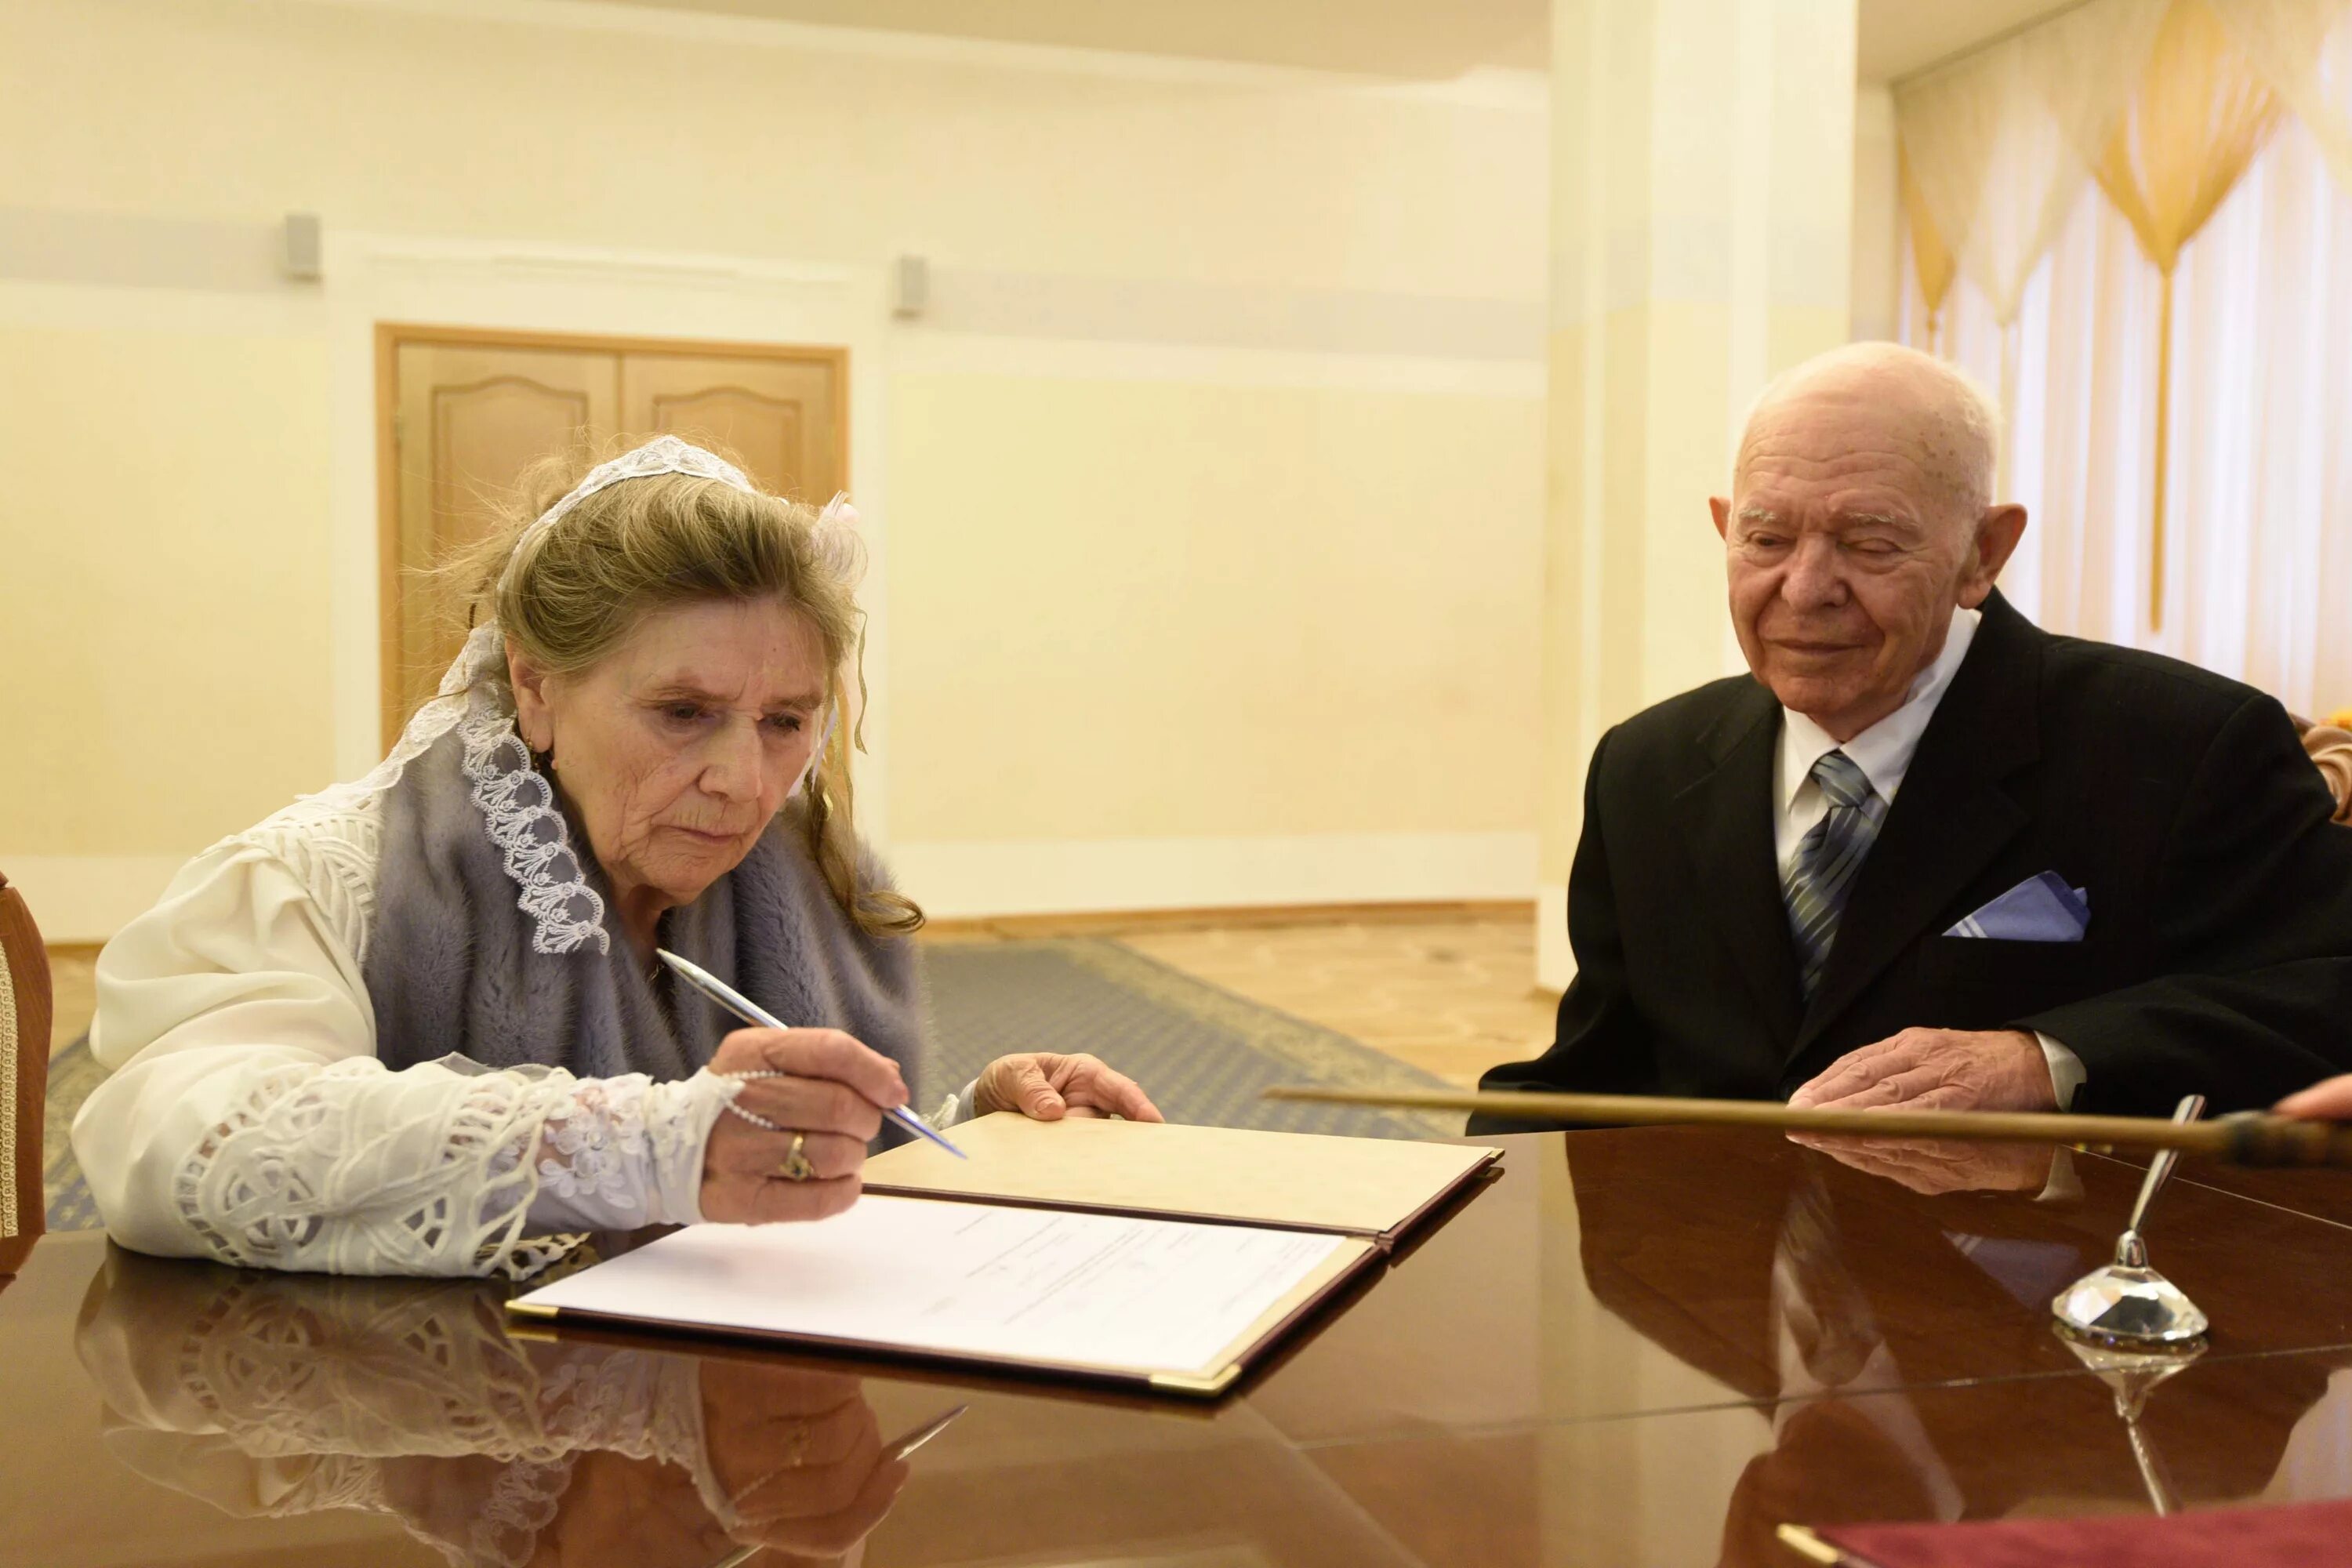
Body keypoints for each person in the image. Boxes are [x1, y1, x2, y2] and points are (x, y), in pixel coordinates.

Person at [74, 436, 1158, 1277]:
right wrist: (624, 1146)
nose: (745, 781)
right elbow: (175, 1148)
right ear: (537, 687)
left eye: (788, 721)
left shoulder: (790, 887)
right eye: (685, 711)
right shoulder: (325, 877)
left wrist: (973, 1127)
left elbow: (756, 1159)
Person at [1480, 342, 2352, 1123]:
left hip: (2018, 1278)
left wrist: (2046, 1057)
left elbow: (2322, 993)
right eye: (1768, 537)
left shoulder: (2184, 745)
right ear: (1724, 528)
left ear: (1984, 553)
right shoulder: (1646, 766)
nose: (1805, 587)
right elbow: (1593, 1074)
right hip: (1713, 1275)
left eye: (1869, 541)